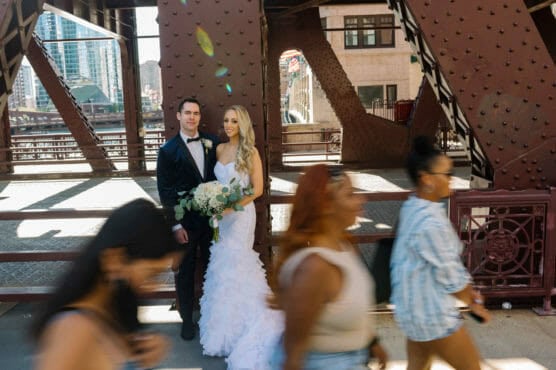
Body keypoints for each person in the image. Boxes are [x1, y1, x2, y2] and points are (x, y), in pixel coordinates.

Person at [31, 199, 182, 370]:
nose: (156, 285)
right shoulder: (73, 328)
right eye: (152, 274)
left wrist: (148, 353)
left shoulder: (112, 309)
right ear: (114, 259)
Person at [270, 164, 388, 370]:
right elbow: (293, 354)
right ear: (326, 204)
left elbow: (350, 305)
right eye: (350, 195)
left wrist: (371, 342)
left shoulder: (345, 246)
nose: (361, 200)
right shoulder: (315, 268)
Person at [390, 136, 491, 370]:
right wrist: (474, 303)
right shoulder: (431, 223)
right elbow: (451, 276)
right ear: (426, 179)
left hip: (413, 312)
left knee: (418, 365)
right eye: (446, 175)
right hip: (434, 316)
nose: (451, 180)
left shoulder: (412, 206)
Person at [199, 105, 283, 369]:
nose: (228, 125)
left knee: (238, 263)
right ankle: (225, 329)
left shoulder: (251, 151)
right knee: (222, 267)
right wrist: (214, 203)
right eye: (225, 120)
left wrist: (231, 205)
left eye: (234, 121)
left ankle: (250, 324)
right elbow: (216, 185)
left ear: (242, 124)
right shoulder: (219, 149)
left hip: (241, 215)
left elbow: (257, 189)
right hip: (220, 218)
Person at [156, 97, 219, 340]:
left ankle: (214, 315)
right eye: (188, 113)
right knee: (186, 271)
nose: (192, 117)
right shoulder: (167, 151)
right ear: (179, 116)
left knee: (214, 269)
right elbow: (165, 190)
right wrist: (175, 224)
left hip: (212, 220)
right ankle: (186, 320)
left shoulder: (213, 142)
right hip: (187, 224)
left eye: (196, 113)